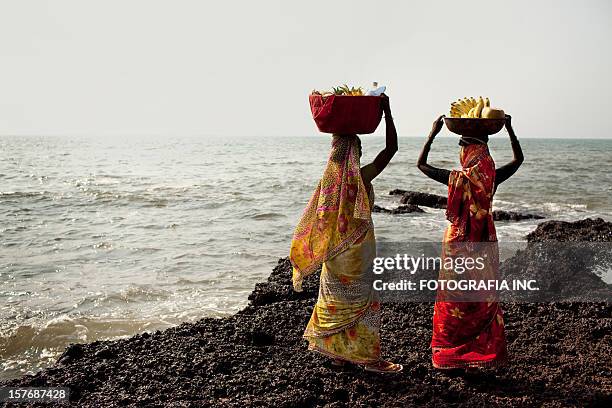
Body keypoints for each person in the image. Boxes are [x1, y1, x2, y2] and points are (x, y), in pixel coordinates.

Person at [290, 94, 402, 373]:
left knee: (335, 300)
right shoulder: (362, 177)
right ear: (356, 154)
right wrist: (387, 112)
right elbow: (391, 148)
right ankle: (368, 358)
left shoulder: (327, 184)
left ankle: (339, 355)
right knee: (362, 303)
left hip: (334, 254)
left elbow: (316, 221)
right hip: (359, 252)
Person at [416, 114, 523, 370]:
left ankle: (449, 355)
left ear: (467, 152)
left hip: (457, 245)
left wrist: (432, 134)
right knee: (481, 299)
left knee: (454, 299)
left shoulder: (458, 179)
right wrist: (510, 129)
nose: (461, 152)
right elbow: (518, 159)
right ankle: (480, 354)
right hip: (485, 242)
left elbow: (421, 164)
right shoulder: (491, 177)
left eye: (462, 147)